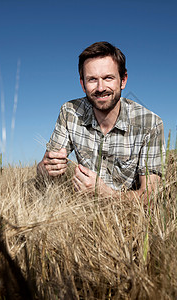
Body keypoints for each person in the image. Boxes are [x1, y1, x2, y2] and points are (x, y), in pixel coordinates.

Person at [37, 41, 166, 202]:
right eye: (92, 79)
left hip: (128, 217)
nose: (100, 88)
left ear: (123, 80)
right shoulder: (69, 112)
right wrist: (46, 167)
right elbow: (42, 172)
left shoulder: (150, 124)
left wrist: (105, 193)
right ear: (83, 84)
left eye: (108, 78)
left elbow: (150, 196)